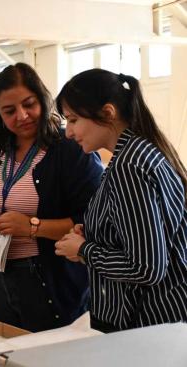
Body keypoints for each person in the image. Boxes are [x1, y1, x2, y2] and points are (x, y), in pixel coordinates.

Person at [0, 63, 103, 332]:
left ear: (43, 99)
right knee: (8, 352)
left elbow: (91, 221)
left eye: (29, 104)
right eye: (9, 111)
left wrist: (32, 227)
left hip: (47, 280)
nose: (22, 116)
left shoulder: (70, 149)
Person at [55, 69, 187, 332]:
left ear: (107, 113)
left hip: (147, 325)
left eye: (73, 120)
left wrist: (84, 250)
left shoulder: (129, 166)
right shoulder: (138, 153)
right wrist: (95, 235)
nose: (68, 132)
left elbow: (147, 267)